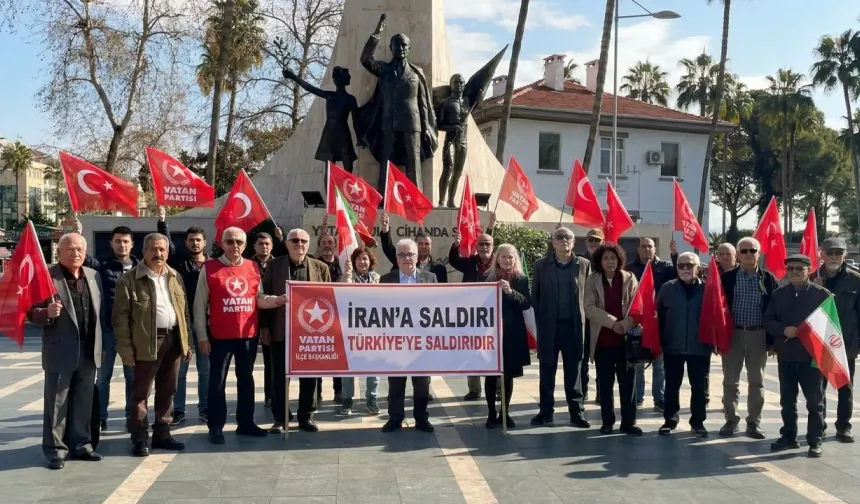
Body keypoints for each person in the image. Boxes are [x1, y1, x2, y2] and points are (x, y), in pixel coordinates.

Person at [193, 227, 282, 444]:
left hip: (247, 336)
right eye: (230, 242)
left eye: (239, 242)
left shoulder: (252, 267)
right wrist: (203, 337)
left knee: (246, 380)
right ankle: (215, 426)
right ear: (222, 244)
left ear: (245, 245)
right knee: (217, 382)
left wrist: (278, 300)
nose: (235, 246)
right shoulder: (210, 268)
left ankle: (246, 423)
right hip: (219, 337)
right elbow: (199, 305)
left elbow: (258, 298)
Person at [112, 233, 192, 456]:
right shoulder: (129, 280)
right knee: (141, 393)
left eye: (162, 250)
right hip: (145, 343)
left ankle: (162, 434)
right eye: (154, 249)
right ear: (144, 251)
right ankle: (139, 438)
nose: (158, 254)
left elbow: (183, 312)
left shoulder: (175, 276)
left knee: (168, 390)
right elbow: (120, 319)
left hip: (173, 340)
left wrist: (187, 343)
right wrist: (126, 351)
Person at [28, 233, 104, 469]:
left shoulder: (93, 276)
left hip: (89, 349)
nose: (75, 253)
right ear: (59, 252)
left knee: (83, 400)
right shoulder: (47, 277)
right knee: (57, 403)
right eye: (69, 249)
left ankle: (81, 444)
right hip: (60, 349)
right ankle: (55, 449)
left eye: (80, 249)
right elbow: (30, 311)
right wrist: (46, 314)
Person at [259, 228, 332, 433]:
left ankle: (305, 417)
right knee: (279, 378)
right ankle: (281, 419)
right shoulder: (274, 266)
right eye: (294, 240)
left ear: (308, 244)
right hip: (280, 332)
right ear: (287, 243)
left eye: (303, 240)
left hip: (311, 335)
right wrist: (264, 327)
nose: (299, 243)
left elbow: (329, 301)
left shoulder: (321, 268)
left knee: (310, 378)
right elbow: (264, 295)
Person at [358, 13, 437, 194]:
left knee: (413, 163)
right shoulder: (383, 69)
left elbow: (423, 103)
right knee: (386, 163)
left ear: (409, 49)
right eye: (397, 45)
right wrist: (377, 32)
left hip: (412, 123)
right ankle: (384, 199)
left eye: (404, 45)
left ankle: (416, 200)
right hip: (388, 123)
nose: (400, 48)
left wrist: (427, 128)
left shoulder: (417, 73)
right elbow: (365, 60)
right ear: (390, 47)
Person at [764, 254, 829, 457]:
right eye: (790, 268)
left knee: (814, 401)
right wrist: (783, 330)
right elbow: (768, 320)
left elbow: (830, 327)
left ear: (808, 270)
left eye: (799, 268)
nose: (794, 272)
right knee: (787, 400)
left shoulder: (822, 295)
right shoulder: (778, 294)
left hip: (812, 358)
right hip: (787, 356)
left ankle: (814, 440)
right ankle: (789, 437)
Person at [76, 219, 138, 431]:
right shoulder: (102, 266)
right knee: (103, 378)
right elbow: (82, 257)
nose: (122, 245)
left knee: (133, 378)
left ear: (132, 244)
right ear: (111, 243)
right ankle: (100, 418)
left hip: (134, 333)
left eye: (126, 241)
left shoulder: (141, 268)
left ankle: (132, 417)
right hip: (108, 332)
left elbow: (167, 251)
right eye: (118, 241)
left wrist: (162, 224)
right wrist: (79, 233)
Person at [530, 227, 592, 427]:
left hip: (574, 327)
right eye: (559, 237)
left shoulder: (583, 264)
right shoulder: (541, 265)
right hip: (549, 327)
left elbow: (589, 297)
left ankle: (577, 413)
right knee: (547, 372)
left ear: (574, 242)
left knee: (574, 372)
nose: (564, 240)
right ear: (553, 243)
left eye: (568, 237)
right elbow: (535, 297)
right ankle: (545, 412)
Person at [720, 236, 779, 439]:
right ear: (737, 254)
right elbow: (717, 309)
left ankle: (753, 422)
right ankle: (730, 420)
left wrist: (772, 341)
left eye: (752, 250)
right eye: (743, 251)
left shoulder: (768, 279)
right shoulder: (727, 278)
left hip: (758, 334)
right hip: (733, 334)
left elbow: (775, 310)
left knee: (757, 382)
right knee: (730, 381)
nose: (748, 255)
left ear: (758, 253)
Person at [156, 206, 211, 425]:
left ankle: (205, 408)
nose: (194, 243)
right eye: (190, 240)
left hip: (206, 325)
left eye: (198, 240)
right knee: (180, 370)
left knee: (205, 371)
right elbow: (166, 244)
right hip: (183, 324)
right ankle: (178, 410)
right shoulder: (178, 262)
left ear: (204, 242)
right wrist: (162, 223)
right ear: (186, 242)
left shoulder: (213, 265)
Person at [380, 239, 437, 433]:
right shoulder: (386, 280)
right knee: (396, 383)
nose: (406, 258)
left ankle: (422, 419)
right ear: (396, 258)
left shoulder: (430, 278)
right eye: (402, 255)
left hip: (422, 342)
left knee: (422, 385)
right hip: (396, 341)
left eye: (410, 254)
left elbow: (439, 307)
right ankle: (395, 418)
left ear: (417, 256)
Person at [584, 243, 641, 435]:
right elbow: (589, 307)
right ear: (600, 261)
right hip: (603, 342)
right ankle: (607, 422)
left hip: (625, 342)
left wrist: (624, 326)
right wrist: (613, 323)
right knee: (605, 384)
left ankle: (628, 423)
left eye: (613, 258)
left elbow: (637, 308)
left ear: (619, 260)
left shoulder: (629, 278)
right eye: (606, 258)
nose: (610, 261)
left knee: (628, 385)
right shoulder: (593, 280)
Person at [656, 252, 711, 438]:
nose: (685, 269)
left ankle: (698, 422)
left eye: (689, 265)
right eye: (681, 265)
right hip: (673, 346)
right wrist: (659, 341)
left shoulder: (709, 289)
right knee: (672, 385)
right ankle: (670, 420)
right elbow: (658, 317)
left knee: (699, 387)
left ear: (699, 268)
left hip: (699, 347)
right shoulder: (666, 288)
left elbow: (716, 317)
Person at [812, 237, 860, 442]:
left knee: (845, 387)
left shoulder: (856, 280)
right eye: (829, 253)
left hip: (845, 343)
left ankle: (843, 426)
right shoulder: (811, 278)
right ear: (821, 254)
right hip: (820, 342)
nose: (833, 257)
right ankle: (819, 426)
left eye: (838, 253)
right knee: (818, 388)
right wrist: (814, 289)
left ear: (845, 256)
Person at [449, 212, 497, 401]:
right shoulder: (470, 263)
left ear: (492, 247)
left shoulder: (498, 265)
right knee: (472, 352)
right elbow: (453, 260)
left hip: (493, 317)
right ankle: (474, 390)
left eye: (488, 244)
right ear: (476, 247)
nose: (484, 247)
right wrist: (456, 244)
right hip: (471, 316)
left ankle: (498, 389)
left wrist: (491, 226)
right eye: (481, 244)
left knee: (493, 352)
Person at [626, 237, 677, 412]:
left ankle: (659, 398)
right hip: (638, 321)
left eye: (650, 246)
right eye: (643, 246)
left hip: (659, 321)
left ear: (655, 249)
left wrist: (675, 255)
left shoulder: (666, 268)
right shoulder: (629, 269)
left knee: (659, 363)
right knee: (638, 361)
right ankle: (637, 397)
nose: (647, 249)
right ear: (638, 249)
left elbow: (680, 274)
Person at [483, 244, 531, 428]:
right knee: (491, 374)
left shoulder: (521, 280)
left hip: (512, 334)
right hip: (491, 334)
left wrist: (510, 292)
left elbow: (526, 303)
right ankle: (490, 413)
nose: (507, 260)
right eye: (504, 257)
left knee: (507, 375)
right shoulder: (488, 278)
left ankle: (505, 412)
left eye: (511, 257)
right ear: (497, 258)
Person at [340, 246, 382, 415]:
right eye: (358, 259)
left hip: (373, 329)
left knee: (374, 367)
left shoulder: (378, 278)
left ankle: (372, 399)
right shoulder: (347, 278)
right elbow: (343, 293)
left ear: (370, 261)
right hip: (351, 329)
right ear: (354, 262)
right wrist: (347, 275)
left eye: (365, 259)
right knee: (349, 367)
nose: (362, 262)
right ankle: (347, 401)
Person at [314, 229, 343, 404]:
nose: (327, 245)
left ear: (335, 245)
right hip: (318, 316)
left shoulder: (343, 264)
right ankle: (316, 392)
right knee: (318, 355)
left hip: (339, 317)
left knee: (337, 357)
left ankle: (338, 392)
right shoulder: (313, 264)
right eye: (323, 242)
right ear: (319, 245)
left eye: (330, 242)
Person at [379, 211, 447, 282]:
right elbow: (388, 248)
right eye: (420, 244)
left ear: (431, 246)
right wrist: (385, 229)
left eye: (427, 244)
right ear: (415, 245)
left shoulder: (440, 269)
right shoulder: (404, 260)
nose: (423, 246)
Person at [251, 232, 276, 410]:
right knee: (254, 363)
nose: (264, 247)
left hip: (275, 319)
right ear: (254, 246)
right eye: (260, 244)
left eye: (267, 244)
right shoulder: (248, 265)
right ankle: (265, 396)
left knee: (273, 362)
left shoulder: (279, 264)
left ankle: (274, 395)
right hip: (252, 319)